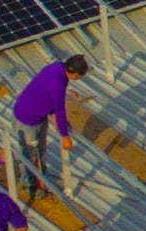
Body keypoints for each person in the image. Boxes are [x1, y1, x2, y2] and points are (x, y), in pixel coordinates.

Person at [11, 55, 91, 185]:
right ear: (76, 75)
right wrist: (65, 136)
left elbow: (49, 93)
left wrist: (55, 115)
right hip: (28, 120)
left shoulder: (55, 67)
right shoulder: (58, 85)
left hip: (34, 113)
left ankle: (41, 177)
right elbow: (60, 110)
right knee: (29, 154)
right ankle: (29, 184)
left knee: (40, 149)